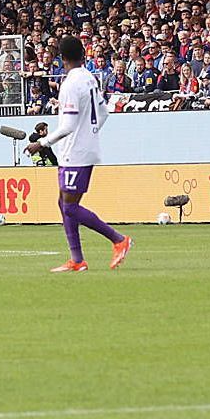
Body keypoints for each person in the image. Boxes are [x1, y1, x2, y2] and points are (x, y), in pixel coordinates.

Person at [28, 36, 132, 273]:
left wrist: (42, 143)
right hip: (81, 149)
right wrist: (91, 134)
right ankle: (77, 259)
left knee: (70, 207)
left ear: (61, 58)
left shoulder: (71, 84)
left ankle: (119, 239)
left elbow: (69, 125)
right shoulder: (89, 78)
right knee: (63, 202)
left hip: (75, 152)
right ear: (83, 55)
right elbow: (104, 113)